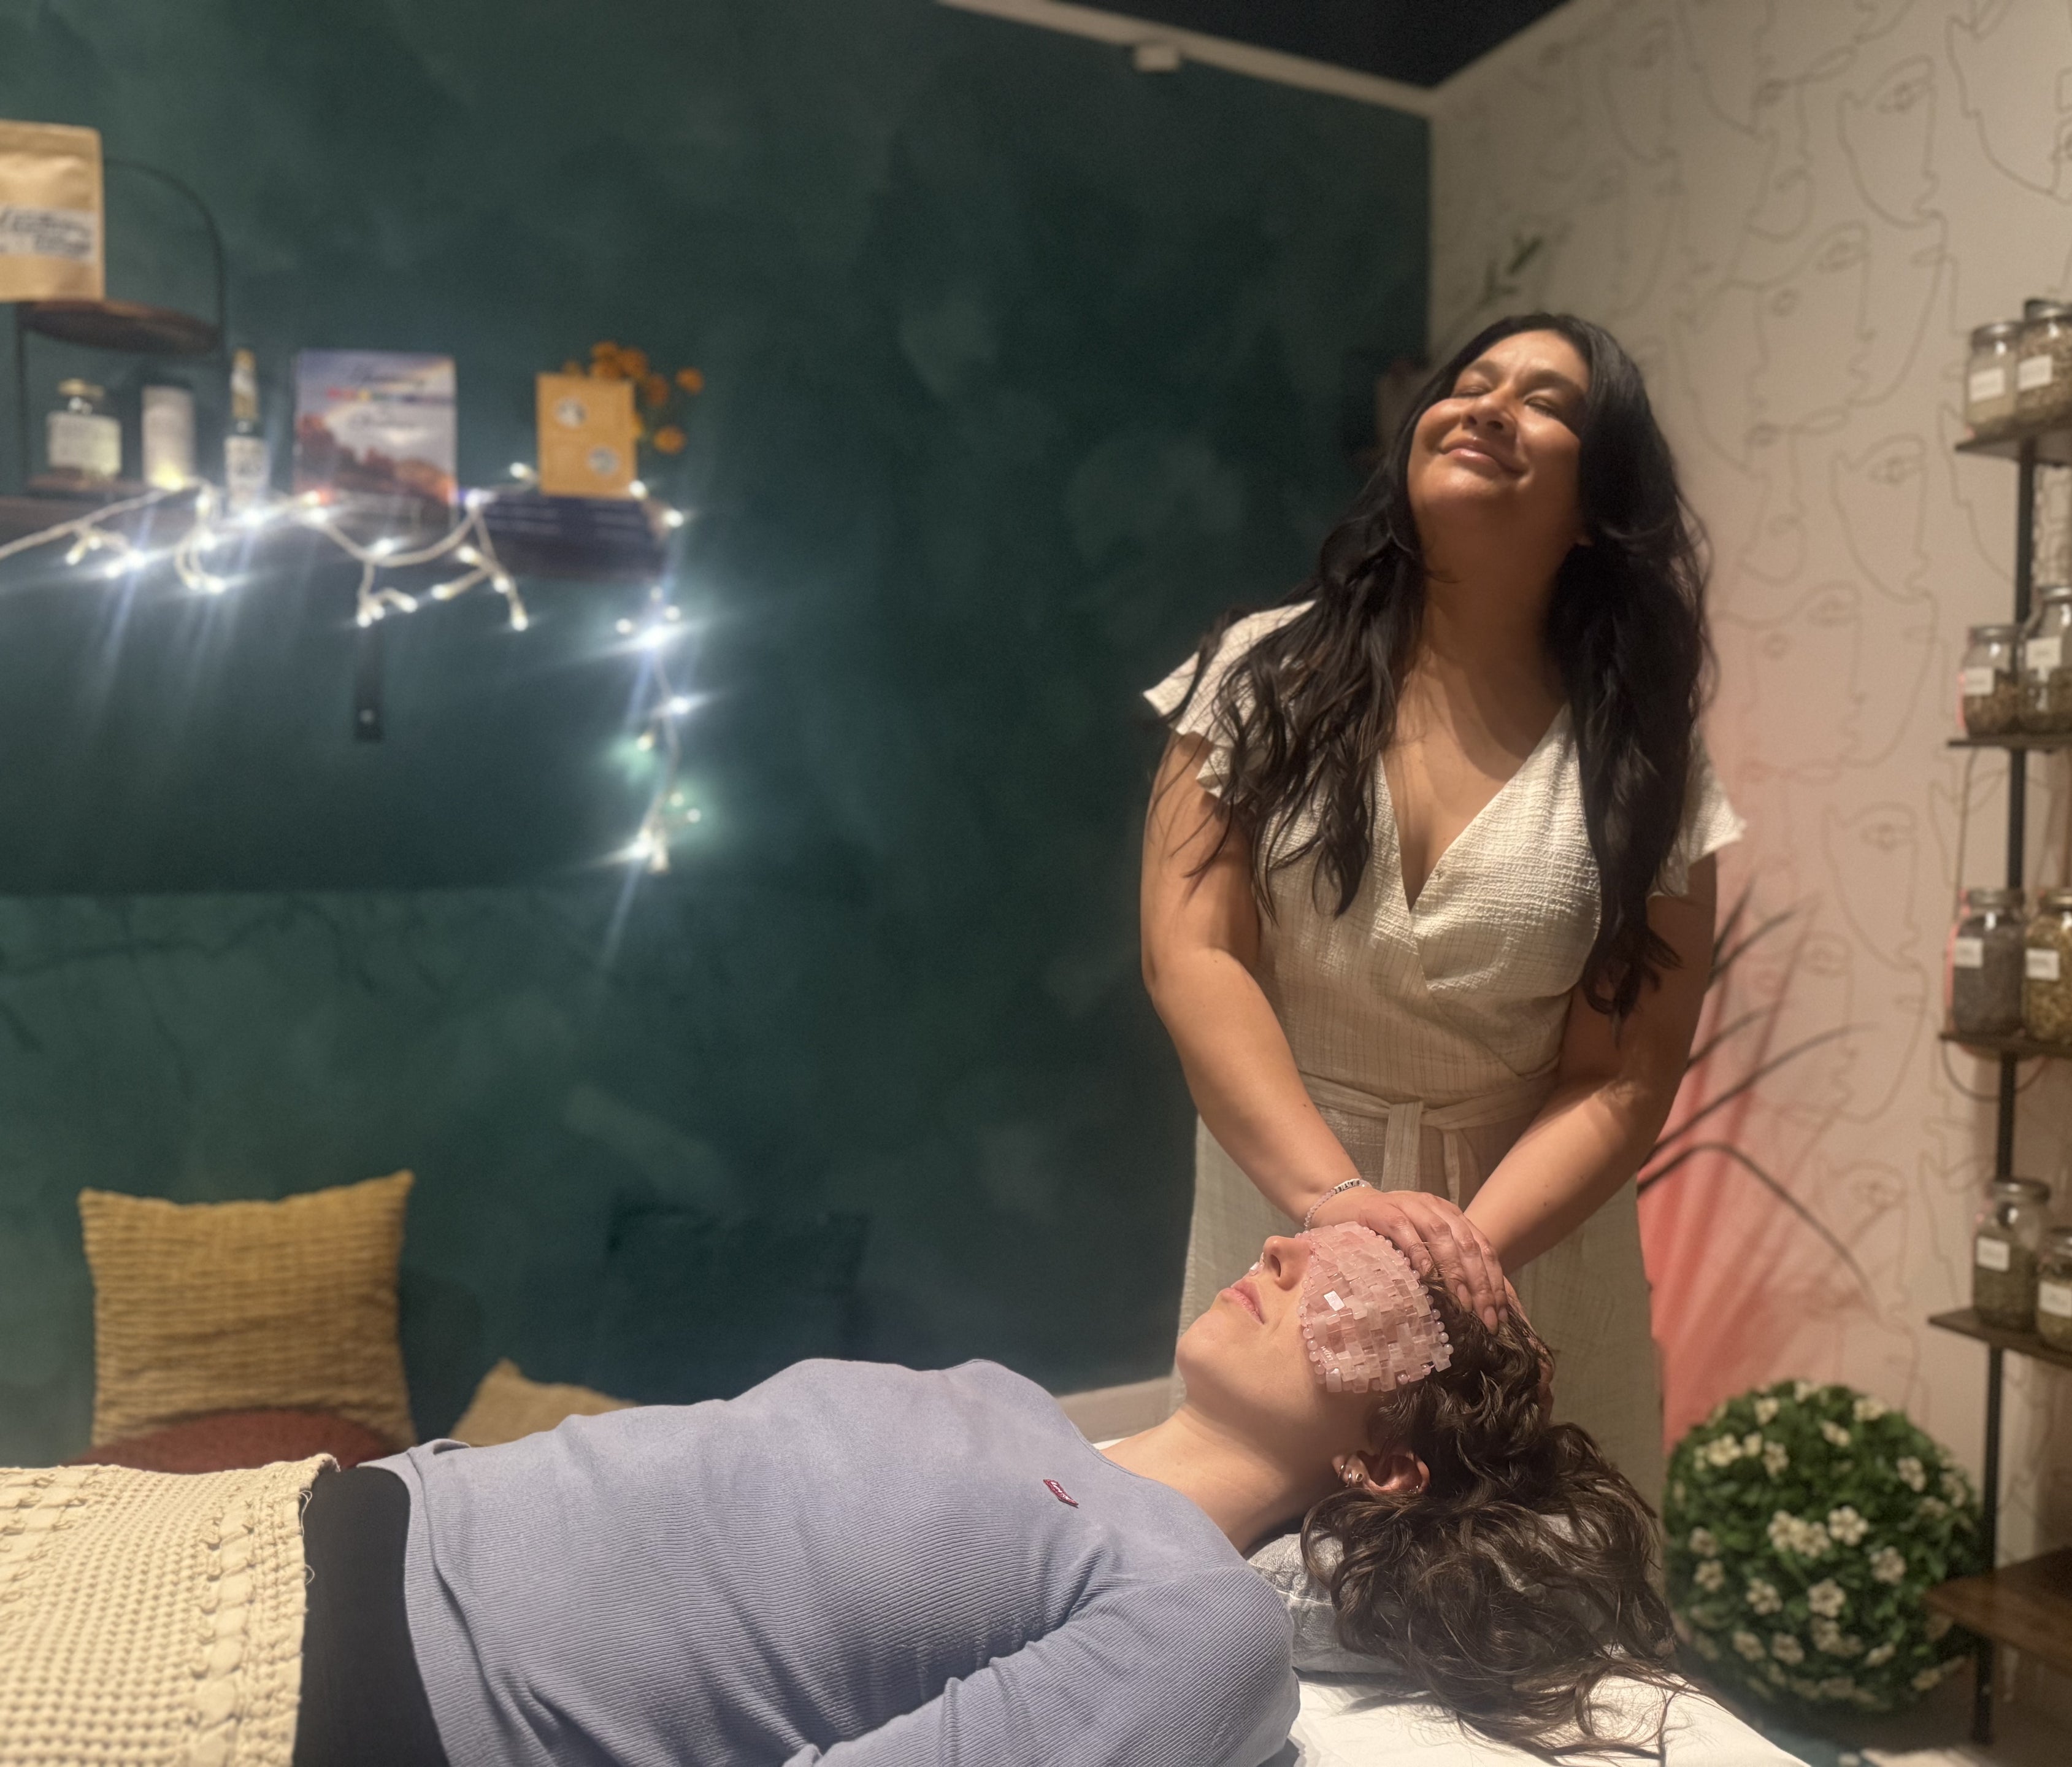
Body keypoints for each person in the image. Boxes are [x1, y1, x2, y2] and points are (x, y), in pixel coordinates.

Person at [277, 1227, 1669, 1766]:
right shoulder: (1010, 1397)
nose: (1286, 1245)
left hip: (380, 1684)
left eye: (1361, 1283)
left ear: (1385, 1465)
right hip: (336, 1514)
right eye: (1309, 1237)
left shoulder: (1195, 1612)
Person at [1140, 310, 1743, 1506]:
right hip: (1281, 1209)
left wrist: (1456, 1264)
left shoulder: (1642, 759)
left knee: (1529, 1577)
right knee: (1250, 1556)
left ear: (1598, 503)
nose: (1489, 406)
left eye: (1547, 403)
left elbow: (1626, 1072)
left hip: (1524, 1255)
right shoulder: (1266, 671)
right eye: (1472, 382)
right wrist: (1340, 1210)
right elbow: (1192, 952)